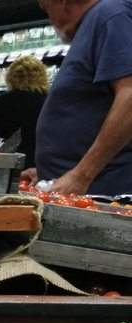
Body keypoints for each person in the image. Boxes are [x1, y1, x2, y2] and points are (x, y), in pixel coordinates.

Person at [26, 0, 132, 195]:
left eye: (47, 10)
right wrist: (48, 172)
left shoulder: (110, 15)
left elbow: (129, 95)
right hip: (81, 189)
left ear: (62, 2)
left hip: (106, 193)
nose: (51, 20)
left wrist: (82, 175)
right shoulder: (94, 23)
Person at [0, 55, 49, 169]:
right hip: (43, 164)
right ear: (42, 76)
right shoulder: (49, 100)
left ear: (10, 76)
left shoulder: (1, 102)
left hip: (10, 164)